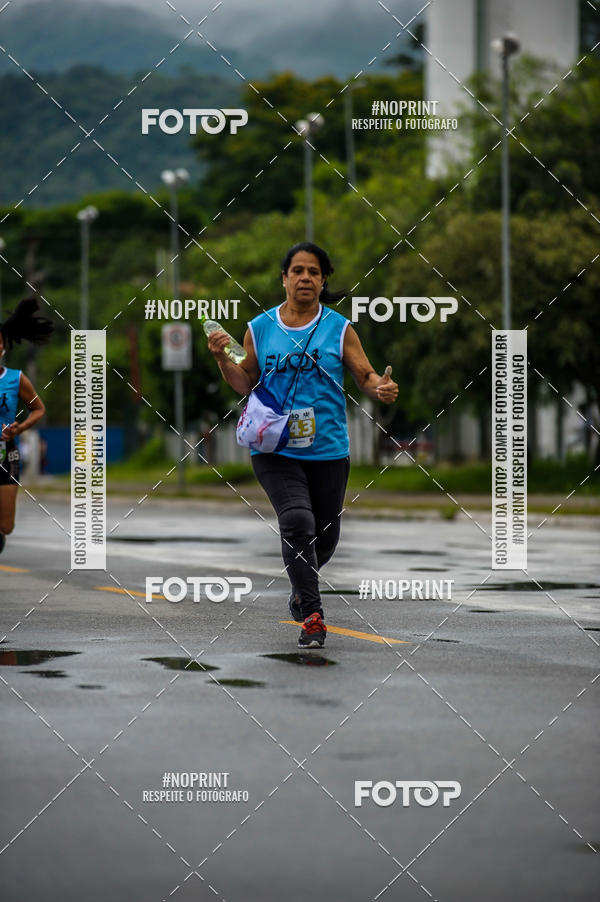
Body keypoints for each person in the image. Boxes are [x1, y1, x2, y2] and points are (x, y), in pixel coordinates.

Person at [208, 242, 398, 647]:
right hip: (273, 446)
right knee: (297, 522)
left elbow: (364, 375)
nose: (305, 278)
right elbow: (245, 382)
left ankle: (300, 588)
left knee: (324, 539)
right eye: (297, 270)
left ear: (323, 279)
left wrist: (379, 387)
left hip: (328, 449)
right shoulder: (260, 328)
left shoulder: (339, 327)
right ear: (284, 278)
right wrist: (224, 360)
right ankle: (312, 615)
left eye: (313, 271)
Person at [0, 298, 54, 554]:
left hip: (6, 453)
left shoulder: (15, 378)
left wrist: (19, 428)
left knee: (6, 526)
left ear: (3, 347)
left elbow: (39, 409)